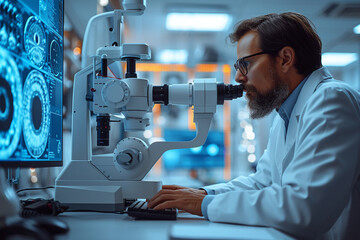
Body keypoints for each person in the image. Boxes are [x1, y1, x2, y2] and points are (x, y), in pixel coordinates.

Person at [148, 12, 360, 239]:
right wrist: (202, 193)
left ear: (285, 58)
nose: (238, 77)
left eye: (245, 64)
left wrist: (204, 203)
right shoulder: (285, 113)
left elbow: (303, 208)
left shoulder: (330, 99)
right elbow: (262, 183)